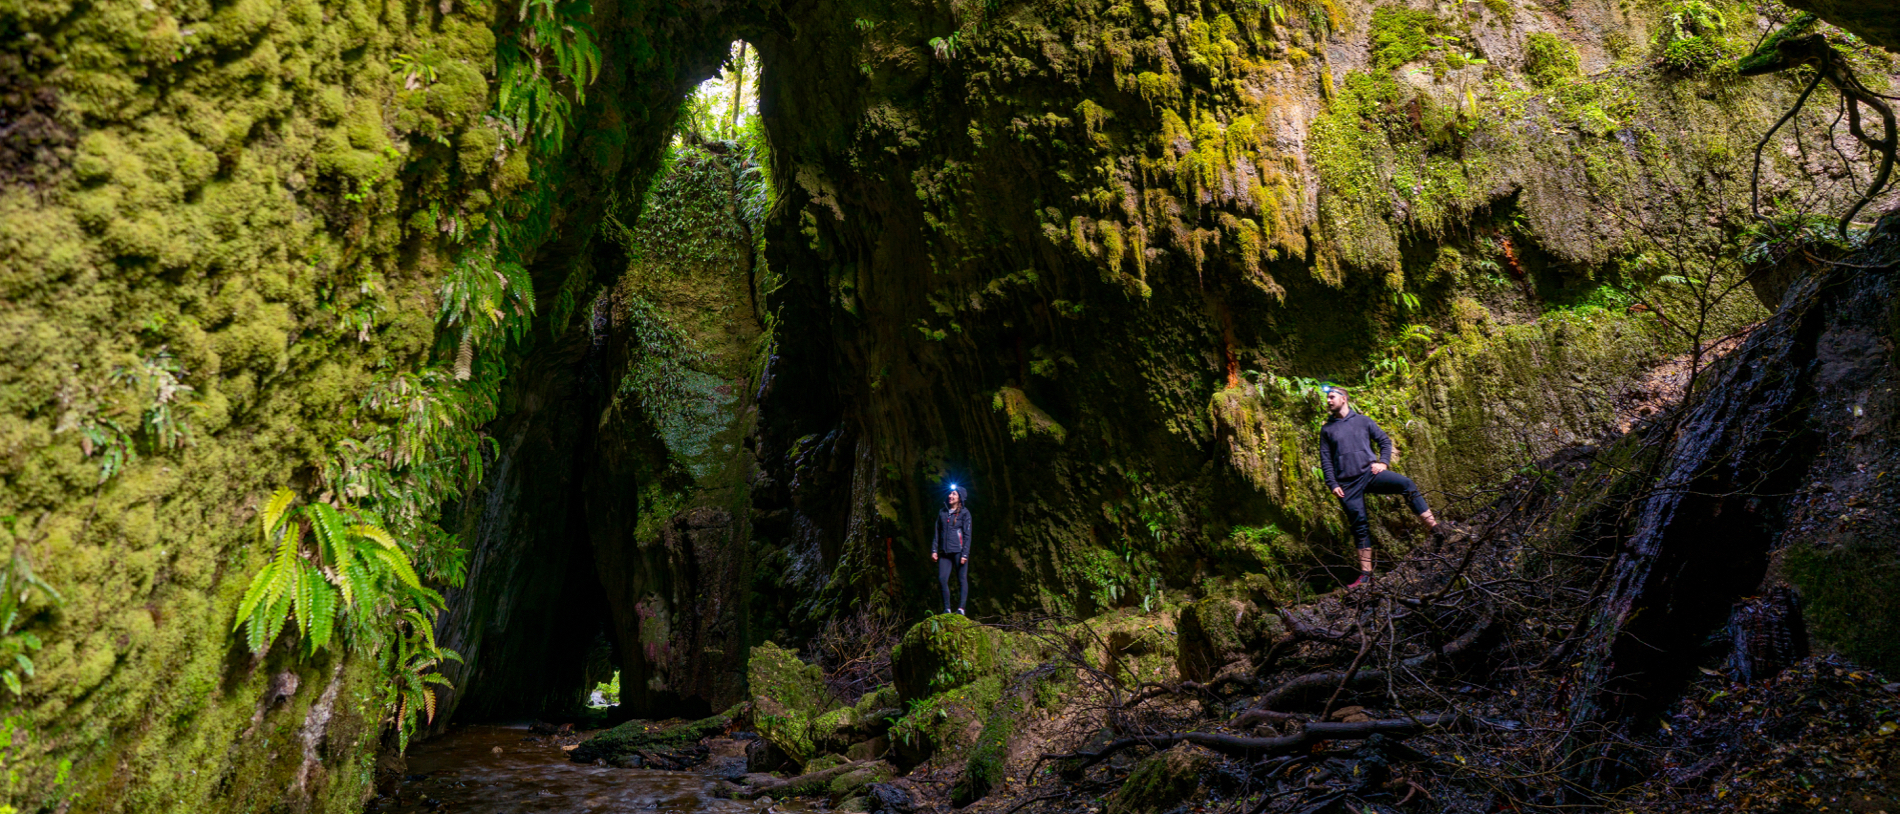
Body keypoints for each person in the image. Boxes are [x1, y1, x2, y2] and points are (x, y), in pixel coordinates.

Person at [1318, 385, 1438, 588]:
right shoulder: (1327, 429)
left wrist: (1383, 463)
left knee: (1406, 484)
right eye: (1327, 398)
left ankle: (1435, 529)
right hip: (1347, 484)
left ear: (1344, 398)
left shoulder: (1363, 421)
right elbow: (1326, 460)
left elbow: (1383, 440)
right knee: (1359, 526)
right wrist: (1332, 484)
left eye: (1332, 397)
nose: (1328, 401)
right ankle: (1367, 575)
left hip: (1369, 474)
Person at [932, 484, 972, 615]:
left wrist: (965, 554)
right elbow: (937, 532)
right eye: (950, 493)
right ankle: (947, 609)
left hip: (959, 551)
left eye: (954, 494)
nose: (950, 496)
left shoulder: (965, 513)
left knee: (962, 579)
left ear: (960, 498)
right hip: (945, 552)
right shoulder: (942, 512)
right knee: (942, 579)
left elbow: (967, 535)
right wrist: (934, 550)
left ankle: (961, 608)